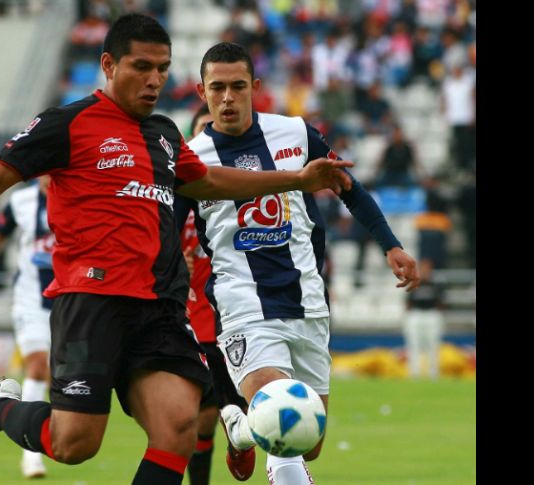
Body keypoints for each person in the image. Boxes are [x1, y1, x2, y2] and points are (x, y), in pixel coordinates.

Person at [0, 14, 354, 485]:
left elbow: (209, 181)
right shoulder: (65, 124)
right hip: (93, 302)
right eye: (141, 67)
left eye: (162, 69)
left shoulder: (165, 134)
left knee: (177, 429)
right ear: (108, 64)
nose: (153, 80)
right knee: (74, 445)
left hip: (159, 308)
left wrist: (296, 179)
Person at [174, 42, 419, 485]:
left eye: (237, 86)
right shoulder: (190, 160)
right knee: (283, 420)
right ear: (201, 91)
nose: (228, 97)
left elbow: (348, 187)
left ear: (256, 87)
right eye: (217, 88)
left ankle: (240, 428)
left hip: (307, 299)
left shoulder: (295, 133)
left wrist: (391, 245)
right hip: (243, 303)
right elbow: (167, 235)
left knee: (309, 440)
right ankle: (258, 430)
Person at [181, 105, 254, 484]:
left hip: (237, 309)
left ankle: (242, 444)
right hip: (194, 318)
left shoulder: (237, 190)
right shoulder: (180, 191)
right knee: (202, 417)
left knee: (231, 412)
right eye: (200, 131)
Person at [0, 176, 54, 478]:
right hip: (30, 300)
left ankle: (51, 434)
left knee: (62, 375)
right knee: (37, 367)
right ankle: (31, 455)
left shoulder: (80, 195)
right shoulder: (21, 201)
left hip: (70, 301)